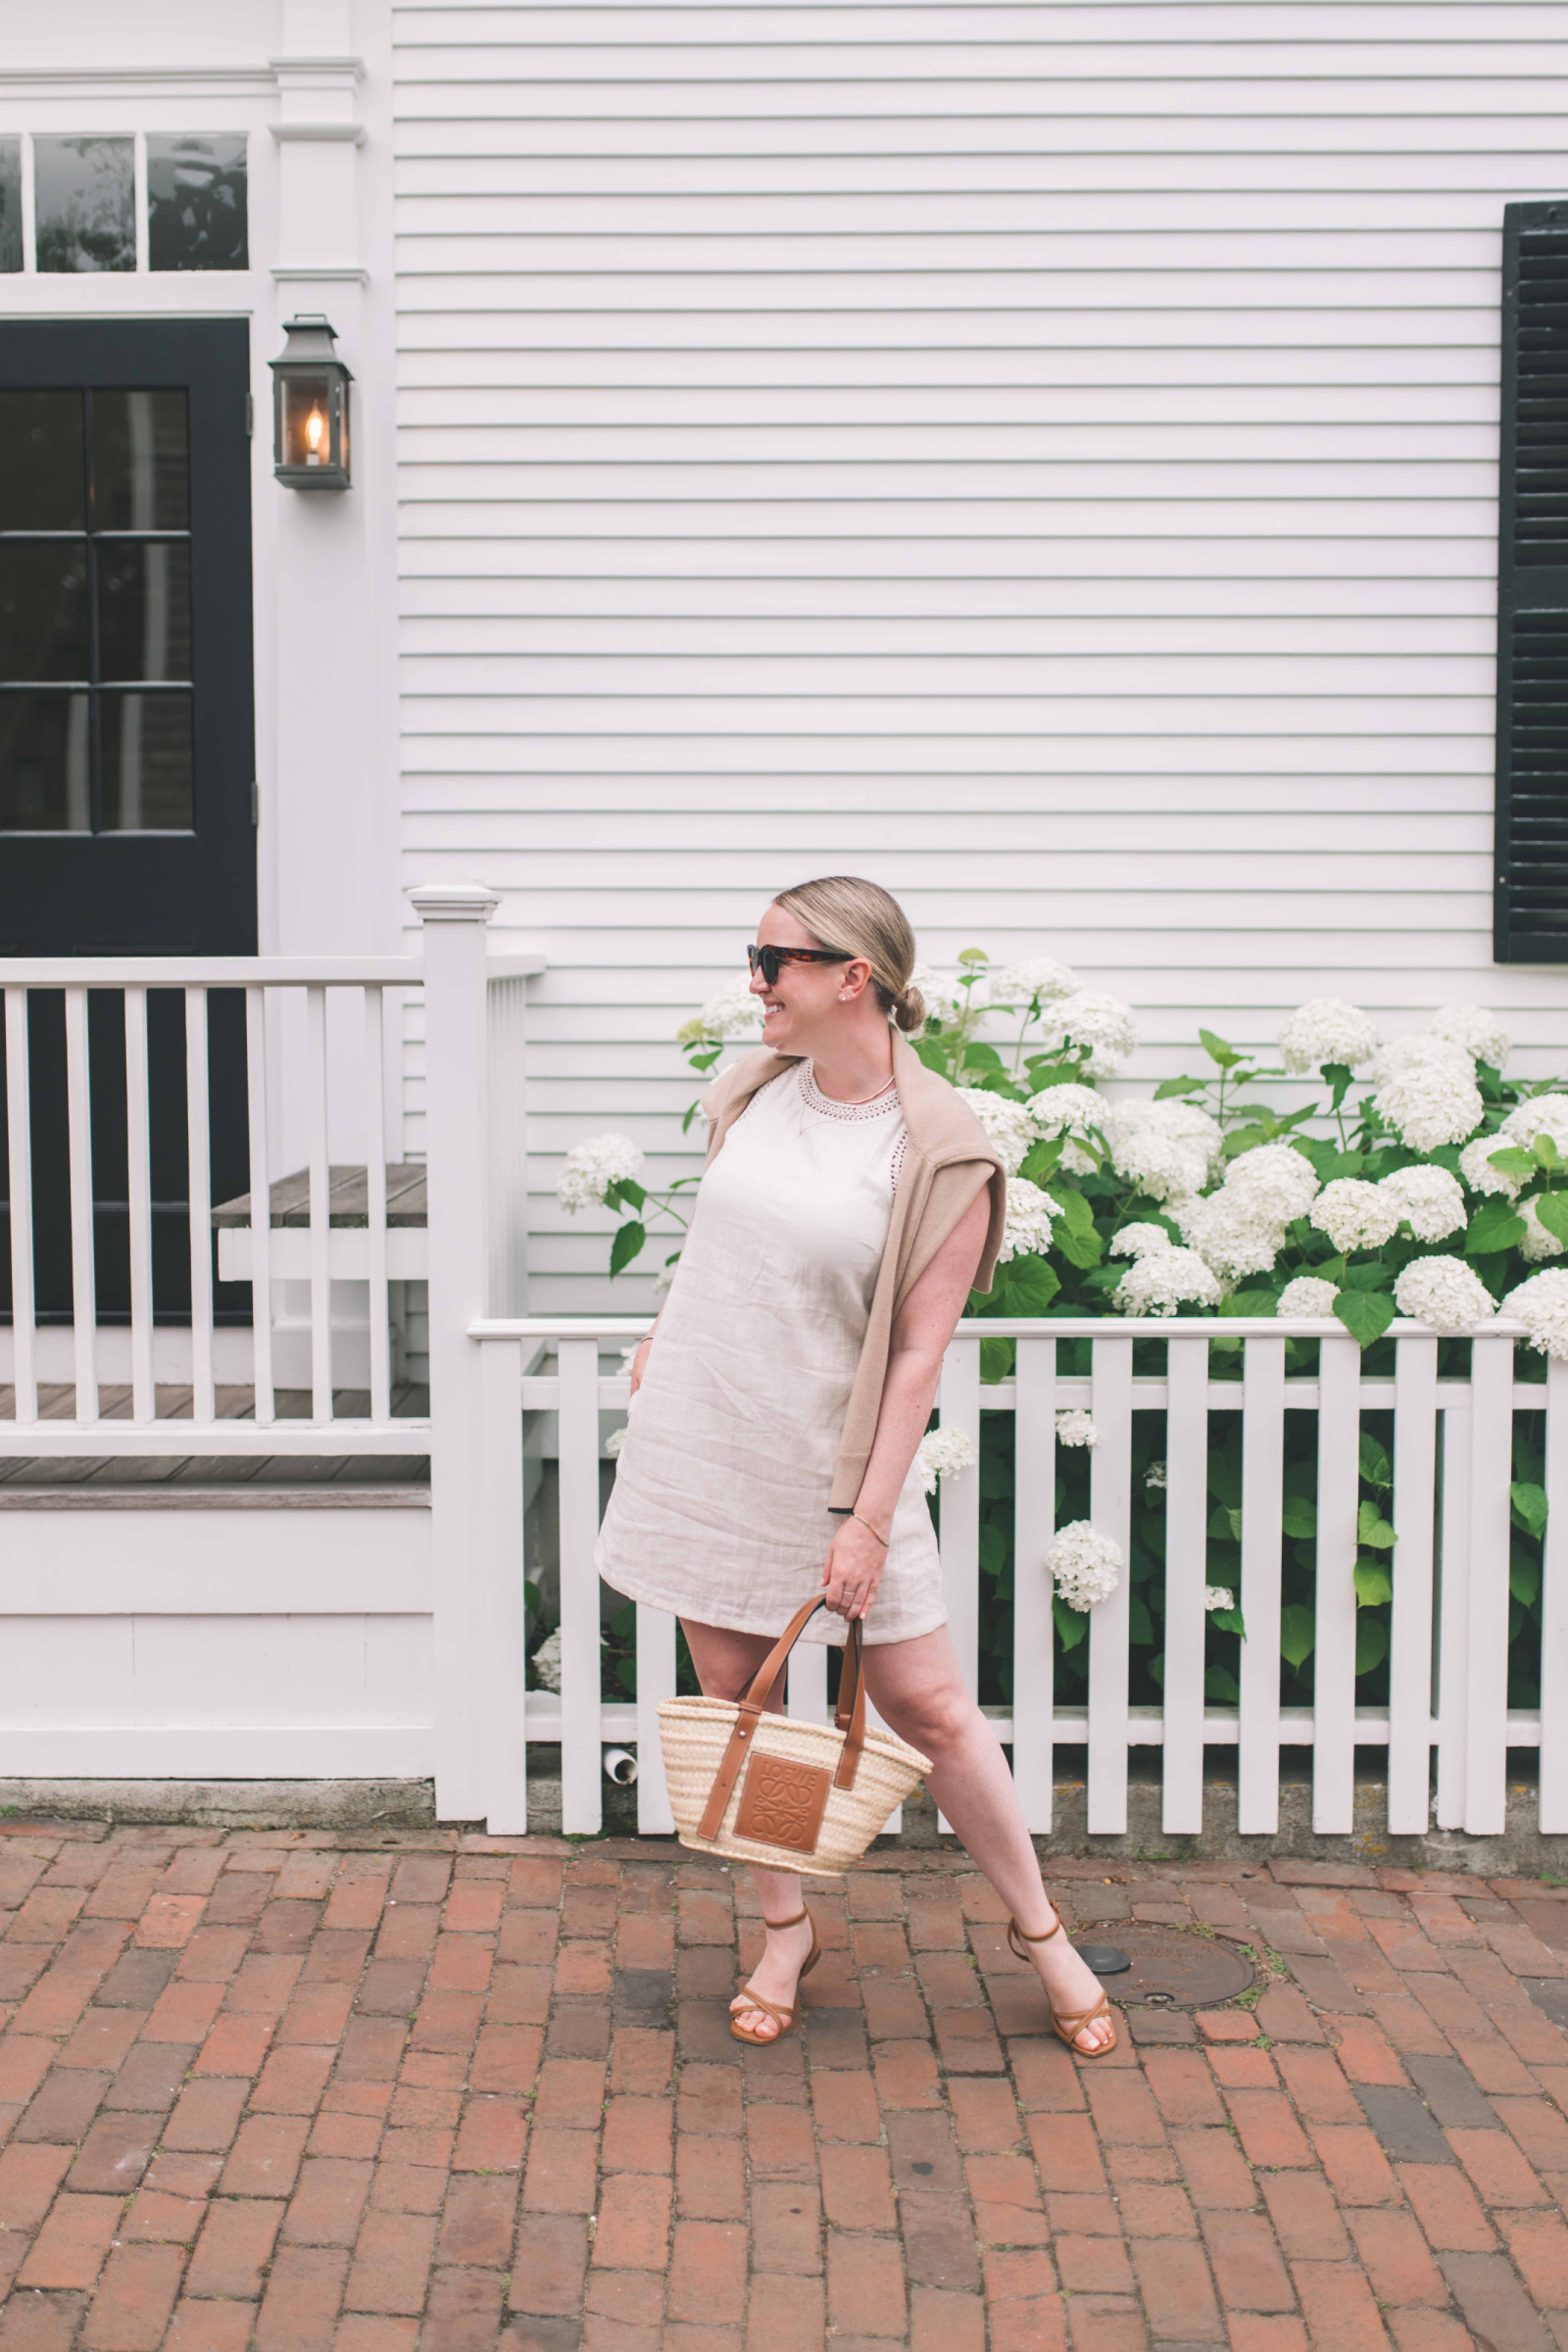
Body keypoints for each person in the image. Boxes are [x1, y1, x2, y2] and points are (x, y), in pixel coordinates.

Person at [595, 876, 1116, 2057]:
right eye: (754, 956)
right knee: (743, 1703)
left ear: (852, 978)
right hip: (706, 1438)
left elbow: (918, 1359)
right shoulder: (756, 1094)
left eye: (771, 959)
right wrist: (667, 1335)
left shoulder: (940, 1156)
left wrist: (867, 1523)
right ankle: (784, 1927)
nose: (753, 981)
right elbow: (726, 1251)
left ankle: (1042, 1933)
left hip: (831, 1466)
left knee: (929, 1709)